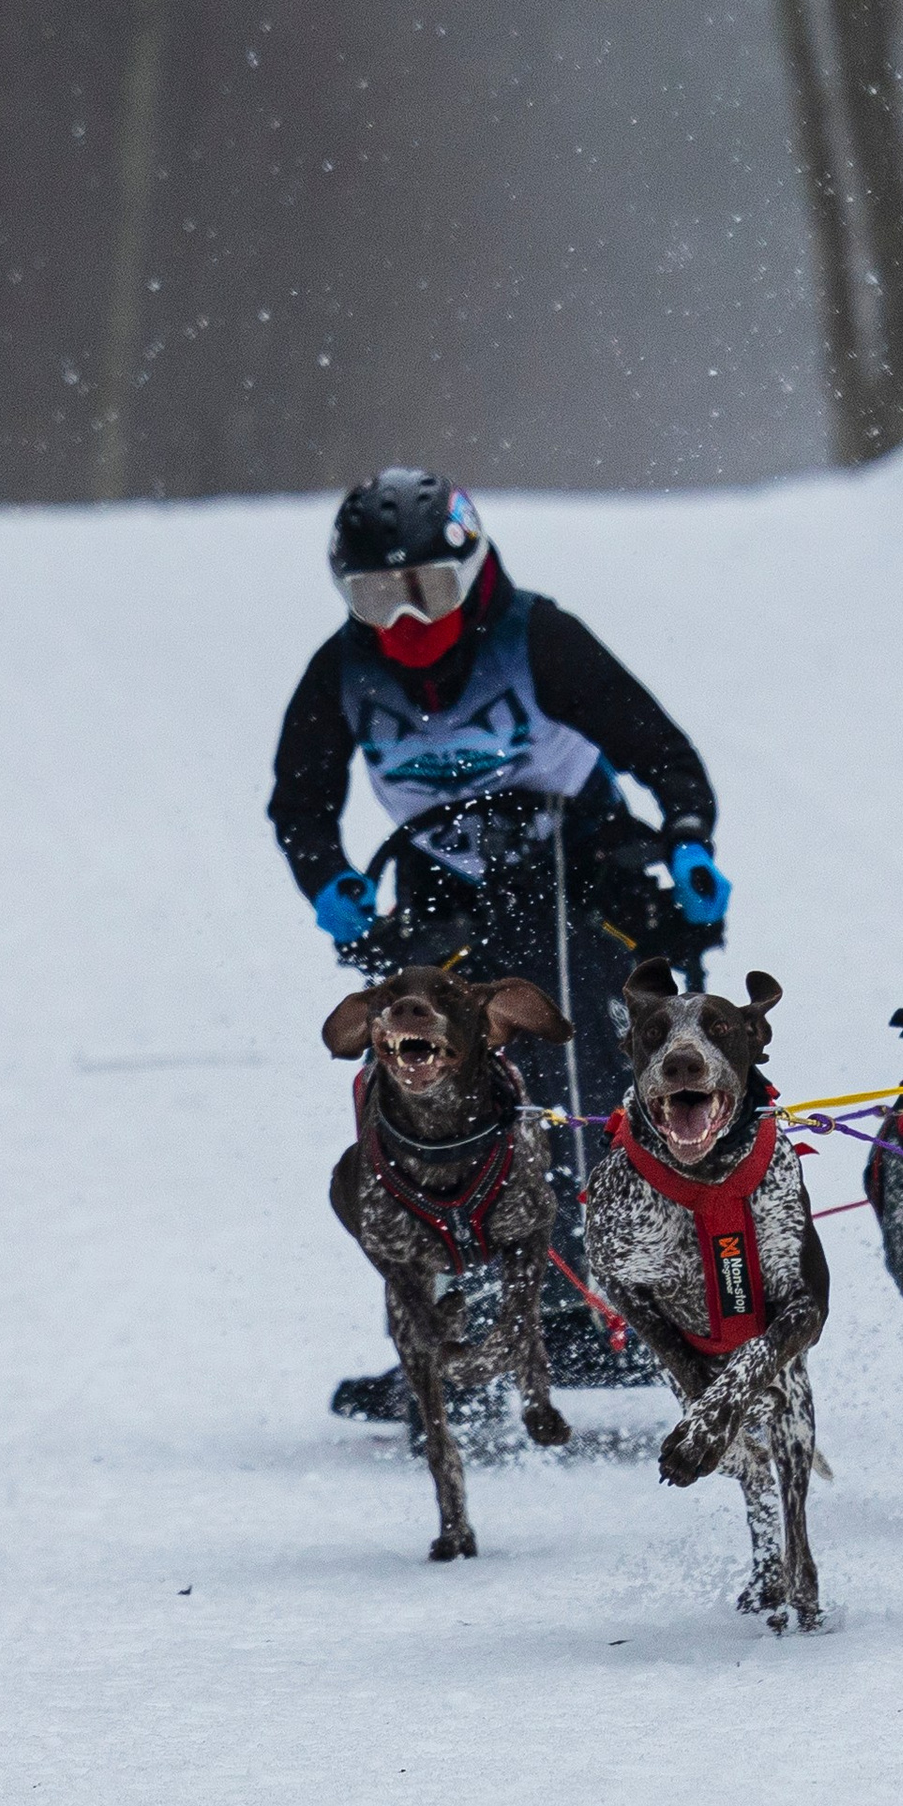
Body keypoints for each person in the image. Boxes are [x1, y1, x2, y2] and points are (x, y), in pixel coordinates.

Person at [271, 467, 731, 1415]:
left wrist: (688, 838)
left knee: (598, 1069)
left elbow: (664, 754)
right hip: (442, 889)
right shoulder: (341, 673)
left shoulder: (540, 639)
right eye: (378, 599)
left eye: (429, 589)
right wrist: (331, 889)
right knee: (440, 1097)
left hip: (582, 868)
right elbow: (300, 806)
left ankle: (632, 1294)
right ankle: (452, 1326)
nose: (408, 620)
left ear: (474, 567)